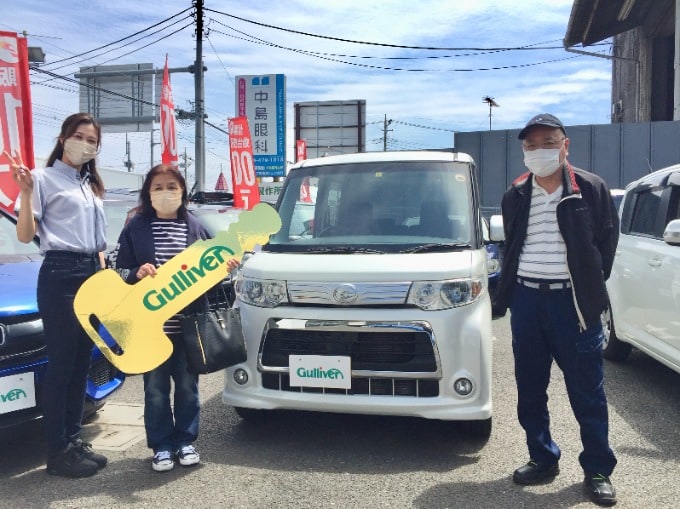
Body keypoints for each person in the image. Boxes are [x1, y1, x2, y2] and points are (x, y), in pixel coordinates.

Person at [496, 113, 620, 507]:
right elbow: (512, 246)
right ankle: (543, 457)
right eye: (530, 146)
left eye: (547, 142)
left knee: (587, 392)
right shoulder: (515, 193)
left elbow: (605, 246)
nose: (538, 151)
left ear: (565, 145)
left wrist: (586, 289)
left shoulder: (591, 189)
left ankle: (598, 469)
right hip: (528, 302)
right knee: (531, 387)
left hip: (573, 305)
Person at [112, 164, 238, 472]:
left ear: (182, 192)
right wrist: (134, 273)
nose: (165, 192)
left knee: (186, 386)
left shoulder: (195, 227)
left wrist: (227, 268)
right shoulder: (135, 227)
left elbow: (212, 270)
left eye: (172, 186)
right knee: (154, 390)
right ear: (148, 193)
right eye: (158, 187)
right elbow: (117, 270)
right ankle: (161, 446)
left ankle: (185, 441)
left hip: (188, 325)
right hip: (150, 328)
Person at [10, 112, 109, 478]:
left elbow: (97, 243)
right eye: (79, 136)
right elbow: (24, 235)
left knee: (82, 361)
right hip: (61, 273)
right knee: (62, 364)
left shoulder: (90, 184)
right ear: (64, 137)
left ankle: (73, 438)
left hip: (91, 274)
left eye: (92, 140)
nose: (85, 144)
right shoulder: (42, 178)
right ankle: (57, 451)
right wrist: (24, 192)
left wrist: (104, 276)